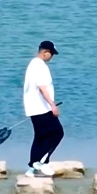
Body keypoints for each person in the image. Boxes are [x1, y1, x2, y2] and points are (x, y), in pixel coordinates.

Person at [23, 40, 63, 175]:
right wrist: (52, 105)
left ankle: (31, 169)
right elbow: (42, 87)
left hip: (32, 108)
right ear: (46, 52)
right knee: (57, 133)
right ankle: (41, 162)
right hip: (42, 108)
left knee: (40, 137)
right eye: (52, 54)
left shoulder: (32, 64)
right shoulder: (41, 66)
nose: (52, 57)